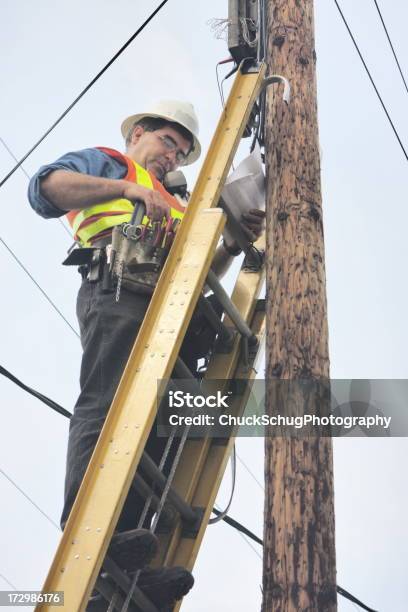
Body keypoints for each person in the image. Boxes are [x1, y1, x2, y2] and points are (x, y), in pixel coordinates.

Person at [28, 100, 265, 610]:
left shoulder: (177, 204)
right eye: (167, 144)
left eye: (180, 153)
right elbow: (46, 189)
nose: (171, 158)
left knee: (159, 436)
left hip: (169, 316)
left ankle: (128, 564)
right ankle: (90, 532)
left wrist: (234, 239)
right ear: (140, 132)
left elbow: (200, 274)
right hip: (117, 290)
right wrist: (129, 187)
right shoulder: (112, 162)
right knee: (108, 404)